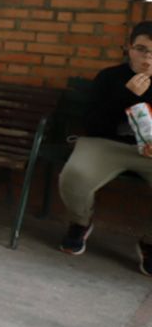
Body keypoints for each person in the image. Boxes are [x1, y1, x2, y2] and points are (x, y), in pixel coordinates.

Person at [58, 20, 152, 275]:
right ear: (129, 48)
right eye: (142, 49)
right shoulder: (109, 77)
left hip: (148, 153)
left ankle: (149, 242)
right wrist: (126, 95)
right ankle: (80, 222)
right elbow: (92, 124)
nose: (147, 57)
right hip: (106, 144)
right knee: (75, 175)